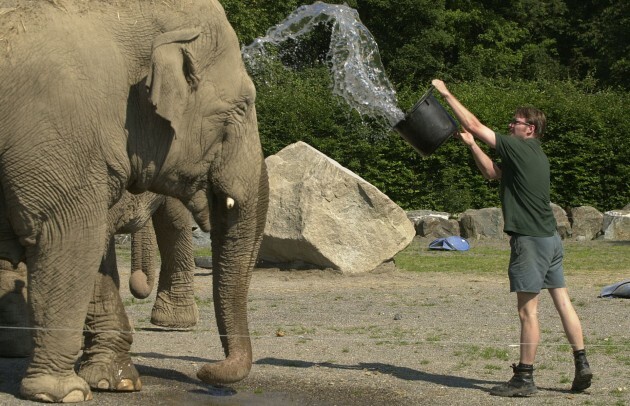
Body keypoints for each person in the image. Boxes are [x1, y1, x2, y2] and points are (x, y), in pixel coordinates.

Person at [430, 79, 592, 397]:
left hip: (530, 241)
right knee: (562, 302)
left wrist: (446, 93)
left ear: (529, 128)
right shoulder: (534, 155)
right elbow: (493, 173)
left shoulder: (518, 146)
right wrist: (472, 146)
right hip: (549, 240)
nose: (509, 125)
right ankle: (582, 362)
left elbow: (475, 124)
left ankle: (525, 378)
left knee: (527, 311)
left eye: (515, 121)